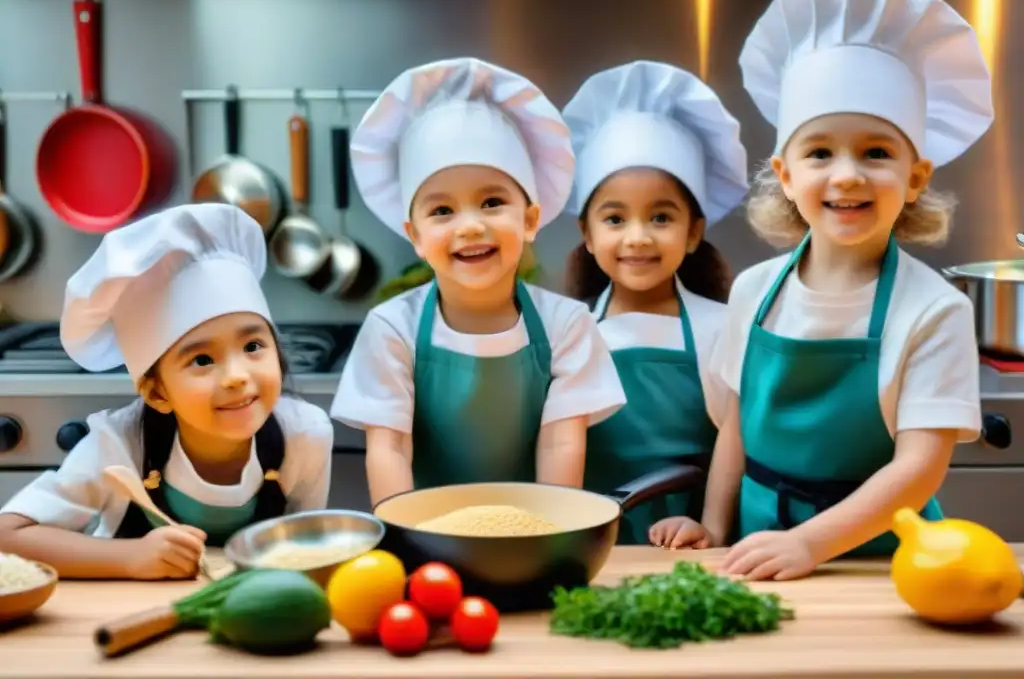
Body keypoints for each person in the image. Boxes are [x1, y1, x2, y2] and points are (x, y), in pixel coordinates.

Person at [654, 0, 994, 579]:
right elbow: (736, 425)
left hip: (882, 560)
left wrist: (811, 544)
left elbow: (919, 466)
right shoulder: (756, 291)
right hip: (758, 547)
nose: (846, 176)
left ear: (916, 177)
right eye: (819, 153)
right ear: (786, 174)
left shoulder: (935, 308)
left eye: (876, 152)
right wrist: (714, 523)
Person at [330, 57, 626, 505]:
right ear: (414, 236)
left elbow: (560, 443)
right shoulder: (392, 328)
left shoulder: (566, 324)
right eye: (442, 211)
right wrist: (405, 540)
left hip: (531, 533)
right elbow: (390, 447)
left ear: (529, 219)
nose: (469, 226)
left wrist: (549, 537)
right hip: (427, 541)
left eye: (491, 202)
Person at [0, 204, 333, 580]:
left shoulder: (305, 437)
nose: (236, 376)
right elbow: (8, 535)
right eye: (203, 360)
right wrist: (128, 558)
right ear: (157, 393)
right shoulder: (119, 448)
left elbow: (306, 551)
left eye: (253, 346)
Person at [562, 60, 749, 545]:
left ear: (693, 233)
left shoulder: (723, 328)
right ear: (587, 233)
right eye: (615, 219)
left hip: (691, 545)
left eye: (661, 217)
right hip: (589, 543)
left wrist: (708, 526)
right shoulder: (568, 330)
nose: (638, 237)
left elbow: (741, 446)